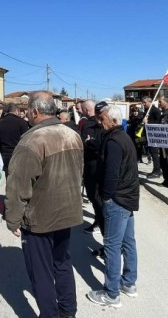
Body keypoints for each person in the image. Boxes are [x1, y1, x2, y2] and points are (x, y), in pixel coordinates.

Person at [5, 91, 84, 318]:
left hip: (40, 218)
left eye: (28, 110)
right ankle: (68, 311)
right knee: (62, 263)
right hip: (67, 213)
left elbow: (18, 186)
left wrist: (13, 219)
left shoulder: (32, 140)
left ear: (35, 111)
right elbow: (79, 173)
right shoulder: (72, 134)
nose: (27, 114)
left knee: (41, 273)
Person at [87, 104, 139, 309]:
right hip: (127, 198)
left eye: (103, 119)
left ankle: (111, 293)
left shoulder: (115, 141)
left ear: (114, 121)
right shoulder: (121, 137)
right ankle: (128, 283)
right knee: (128, 243)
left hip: (117, 200)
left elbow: (111, 173)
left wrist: (106, 198)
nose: (99, 122)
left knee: (112, 245)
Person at [80, 100, 104, 235]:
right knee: (94, 196)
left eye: (81, 110)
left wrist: (88, 142)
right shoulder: (94, 121)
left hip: (94, 165)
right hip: (92, 164)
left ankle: (101, 223)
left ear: (86, 110)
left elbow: (90, 142)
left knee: (95, 196)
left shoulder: (92, 123)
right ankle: (99, 221)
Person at [0, 103, 29, 178]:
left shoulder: (0, 124)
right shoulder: (22, 123)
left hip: (5, 157)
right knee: (21, 181)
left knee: (9, 180)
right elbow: (27, 141)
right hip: (19, 156)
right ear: (16, 111)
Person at [142, 96, 162, 179]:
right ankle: (155, 169)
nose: (143, 104)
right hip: (148, 135)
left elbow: (158, 124)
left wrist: (147, 123)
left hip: (154, 135)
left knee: (154, 153)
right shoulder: (147, 110)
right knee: (151, 153)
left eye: (145, 102)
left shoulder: (155, 110)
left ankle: (157, 171)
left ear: (150, 102)